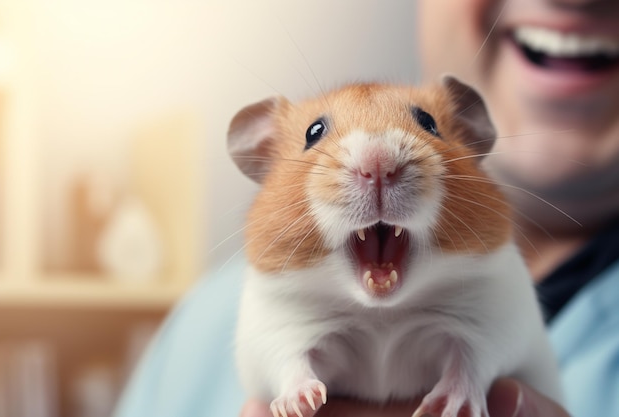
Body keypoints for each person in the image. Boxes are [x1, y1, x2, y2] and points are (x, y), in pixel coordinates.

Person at [113, 0, 619, 416]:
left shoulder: (493, 275)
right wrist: (294, 377)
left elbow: (503, 328)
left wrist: (469, 372)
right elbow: (264, 348)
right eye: (316, 135)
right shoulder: (202, 319)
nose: (376, 161)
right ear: (260, 153)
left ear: (472, 131)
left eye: (425, 123)